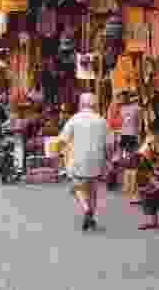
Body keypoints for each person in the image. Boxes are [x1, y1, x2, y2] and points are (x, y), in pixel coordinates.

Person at [58, 93, 107, 232]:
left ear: (81, 104)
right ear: (94, 105)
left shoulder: (74, 120)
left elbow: (62, 139)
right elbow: (109, 144)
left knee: (77, 187)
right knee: (93, 189)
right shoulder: (101, 120)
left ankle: (86, 210)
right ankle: (91, 216)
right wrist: (107, 161)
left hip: (78, 160)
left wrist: (60, 154)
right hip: (97, 160)